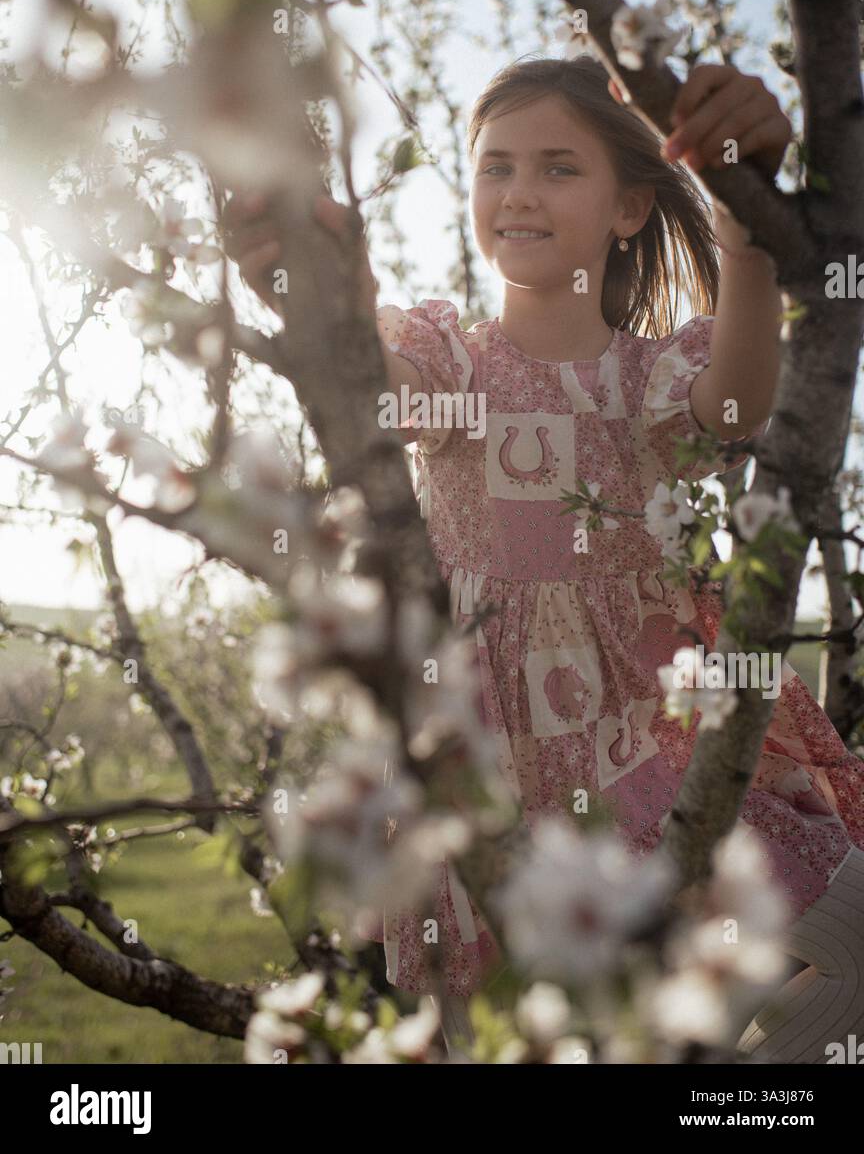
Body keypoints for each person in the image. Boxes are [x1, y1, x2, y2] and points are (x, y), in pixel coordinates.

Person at [236, 55, 864, 1063]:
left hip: (647, 746)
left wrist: (747, 237)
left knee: (840, 942)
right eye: (496, 166)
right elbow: (378, 394)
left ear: (629, 209)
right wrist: (328, 304)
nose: (519, 191)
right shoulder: (455, 361)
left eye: (559, 167)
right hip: (492, 766)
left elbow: (740, 405)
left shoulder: (652, 373)